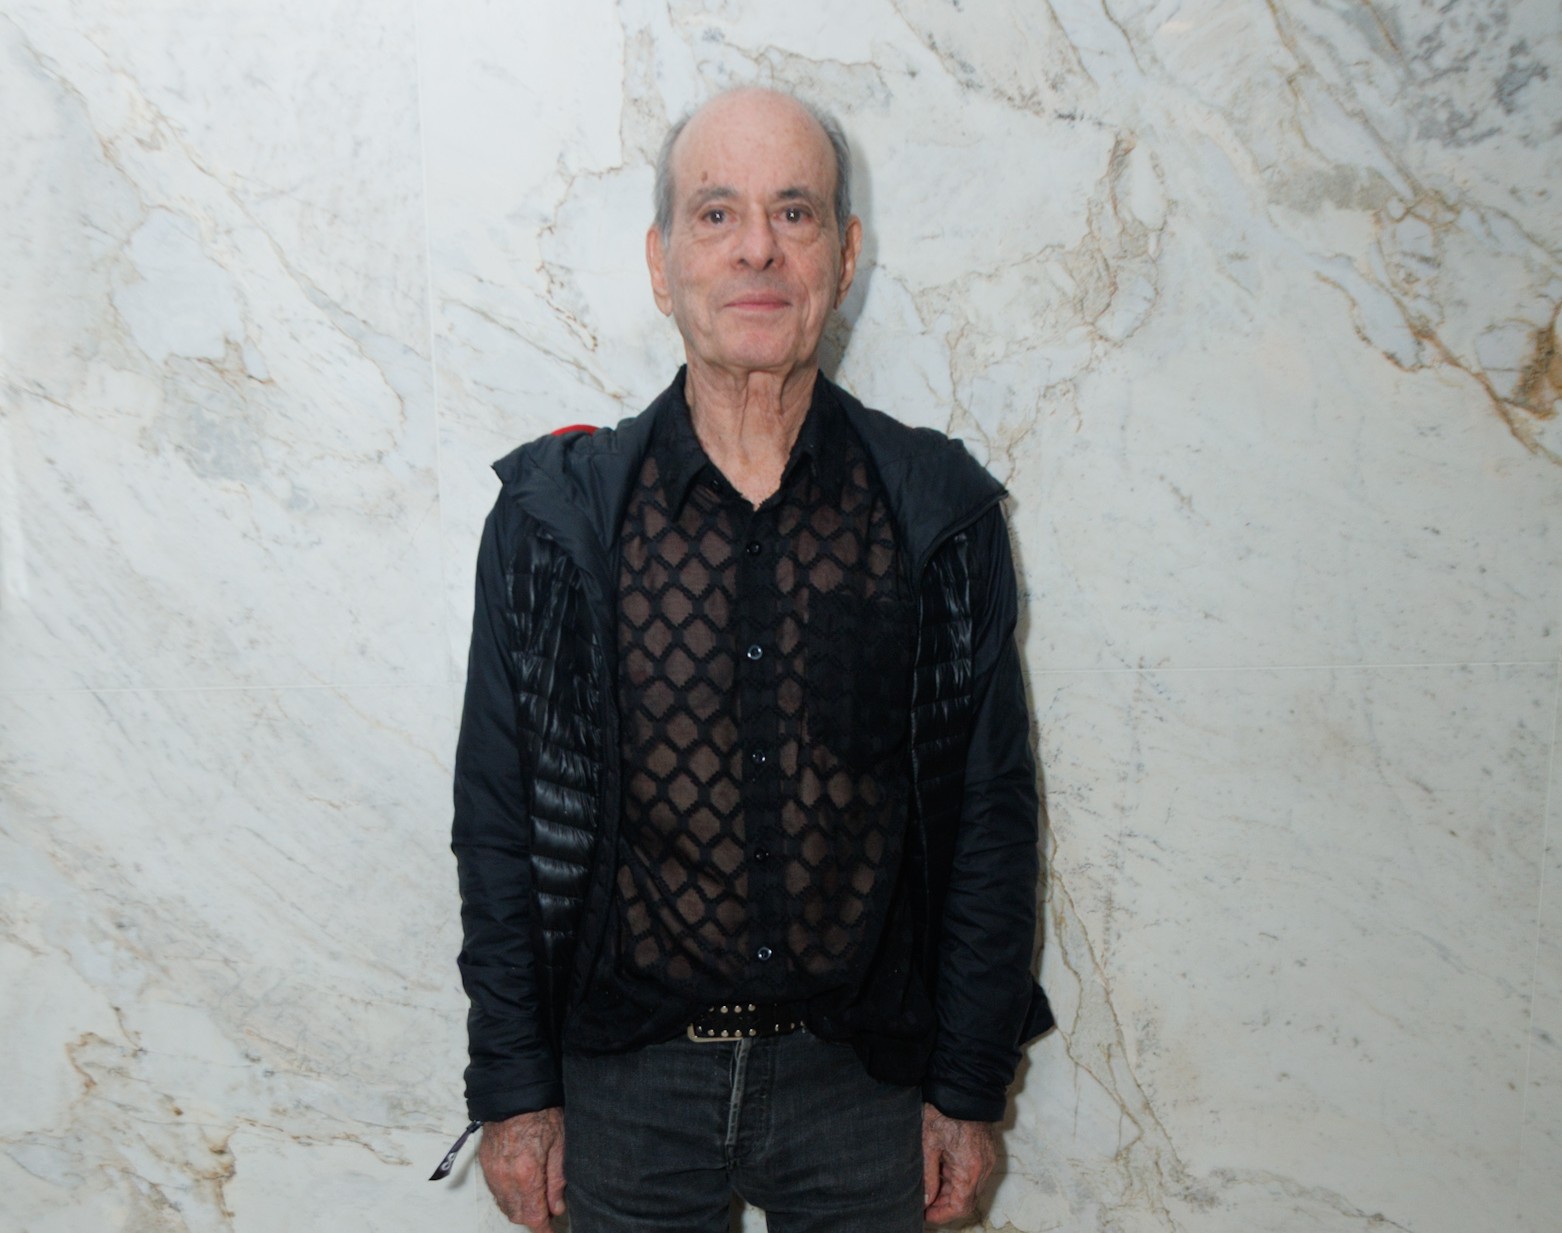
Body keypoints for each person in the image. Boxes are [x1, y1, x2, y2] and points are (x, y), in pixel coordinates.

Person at [450, 86, 1052, 1232]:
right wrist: (515, 1089)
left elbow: (987, 818)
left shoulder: (935, 510)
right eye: (716, 213)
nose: (757, 249)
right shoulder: (554, 518)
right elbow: (497, 820)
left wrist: (969, 1085)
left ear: (845, 252)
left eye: (794, 211)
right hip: (627, 1084)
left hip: (862, 1086)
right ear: (661, 259)